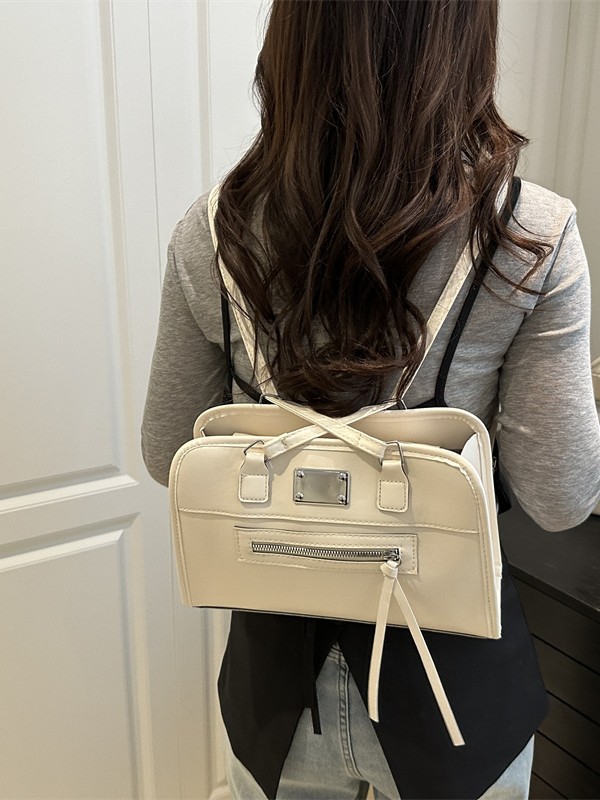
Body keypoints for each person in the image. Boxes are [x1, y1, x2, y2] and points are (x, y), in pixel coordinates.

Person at [141, 1, 600, 798]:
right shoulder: (531, 236)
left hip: (276, 696)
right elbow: (560, 500)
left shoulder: (212, 232)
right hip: (453, 698)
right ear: (463, 42)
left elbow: (164, 454)